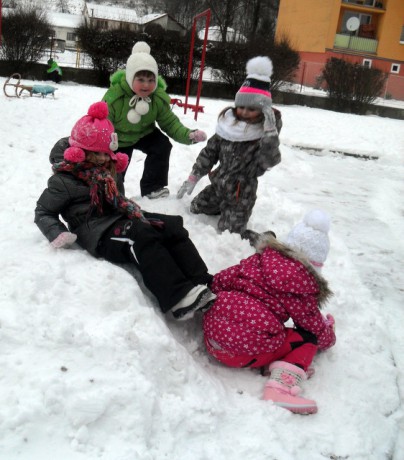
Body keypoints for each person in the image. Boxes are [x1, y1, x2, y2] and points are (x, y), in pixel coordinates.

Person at [35, 101, 215, 321]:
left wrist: (130, 210)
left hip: (117, 217)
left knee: (171, 225)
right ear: (80, 152)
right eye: (98, 154)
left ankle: (203, 281)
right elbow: (43, 211)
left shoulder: (108, 167)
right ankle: (178, 298)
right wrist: (58, 233)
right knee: (140, 235)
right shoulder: (64, 180)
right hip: (95, 232)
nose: (105, 158)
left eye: (107, 153)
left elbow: (117, 198)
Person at [202, 210, 336, 414]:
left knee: (265, 328)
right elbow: (314, 328)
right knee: (308, 340)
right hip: (240, 353)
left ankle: (270, 360)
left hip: (212, 336)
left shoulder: (258, 260)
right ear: (315, 266)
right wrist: (329, 336)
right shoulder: (302, 285)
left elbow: (219, 281)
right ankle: (280, 388)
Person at [177, 56, 282, 241]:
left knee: (230, 234)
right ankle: (223, 210)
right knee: (196, 207)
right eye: (241, 106)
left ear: (263, 110)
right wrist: (194, 176)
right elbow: (210, 152)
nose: (244, 112)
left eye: (251, 109)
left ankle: (262, 240)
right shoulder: (228, 125)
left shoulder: (263, 133)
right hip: (219, 186)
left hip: (241, 194)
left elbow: (269, 161)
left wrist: (270, 134)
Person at [102, 41, 207, 199]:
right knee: (115, 166)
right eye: (141, 79)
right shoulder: (116, 97)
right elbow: (103, 121)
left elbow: (169, 122)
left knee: (161, 145)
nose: (146, 85)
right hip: (118, 138)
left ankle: (152, 187)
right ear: (130, 77)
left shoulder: (156, 98)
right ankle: (113, 190)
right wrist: (104, 143)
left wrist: (188, 135)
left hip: (144, 133)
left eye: (151, 80)